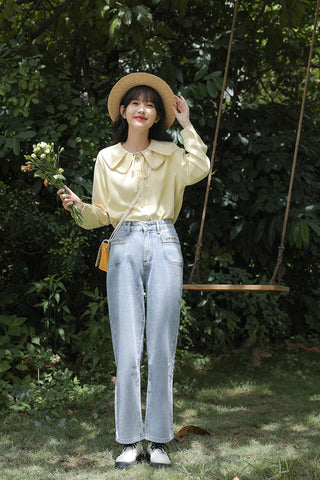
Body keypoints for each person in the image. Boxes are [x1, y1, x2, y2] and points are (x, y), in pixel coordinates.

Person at [58, 72, 210, 469]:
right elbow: (102, 215)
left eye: (150, 104)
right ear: (123, 111)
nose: (143, 109)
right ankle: (129, 440)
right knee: (127, 349)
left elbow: (202, 167)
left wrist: (187, 125)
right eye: (135, 103)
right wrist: (78, 206)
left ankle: (158, 439)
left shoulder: (172, 152)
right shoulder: (106, 158)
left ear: (157, 115)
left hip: (163, 242)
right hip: (122, 244)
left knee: (161, 346)